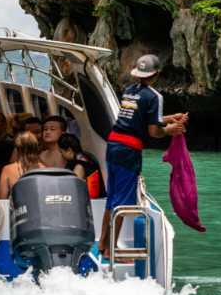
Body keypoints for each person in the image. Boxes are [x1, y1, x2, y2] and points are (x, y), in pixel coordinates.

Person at [103, 54, 188, 247]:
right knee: (122, 202)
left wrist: (170, 117)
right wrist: (170, 130)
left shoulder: (128, 91)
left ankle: (102, 244)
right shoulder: (154, 96)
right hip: (128, 152)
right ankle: (110, 249)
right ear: (156, 74)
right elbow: (153, 131)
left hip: (113, 145)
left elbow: (140, 118)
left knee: (112, 197)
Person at [0, 132, 43, 199]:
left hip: (17, 208)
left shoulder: (8, 169)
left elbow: (2, 199)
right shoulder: (44, 168)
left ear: (17, 149)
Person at [59, 133, 103, 198]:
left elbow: (73, 191)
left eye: (61, 152)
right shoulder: (88, 157)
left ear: (69, 150)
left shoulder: (79, 167)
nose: (61, 155)